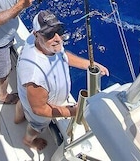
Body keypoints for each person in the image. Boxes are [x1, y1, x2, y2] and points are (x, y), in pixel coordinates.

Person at [14, 10, 109, 151]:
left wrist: (89, 65)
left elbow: (63, 55)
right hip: (39, 109)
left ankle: (17, 118)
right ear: (36, 35)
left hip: (28, 97)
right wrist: (73, 111)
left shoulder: (43, 43)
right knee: (36, 126)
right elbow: (40, 109)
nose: (58, 38)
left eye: (59, 30)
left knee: (23, 102)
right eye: (49, 34)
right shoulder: (35, 76)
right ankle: (28, 141)